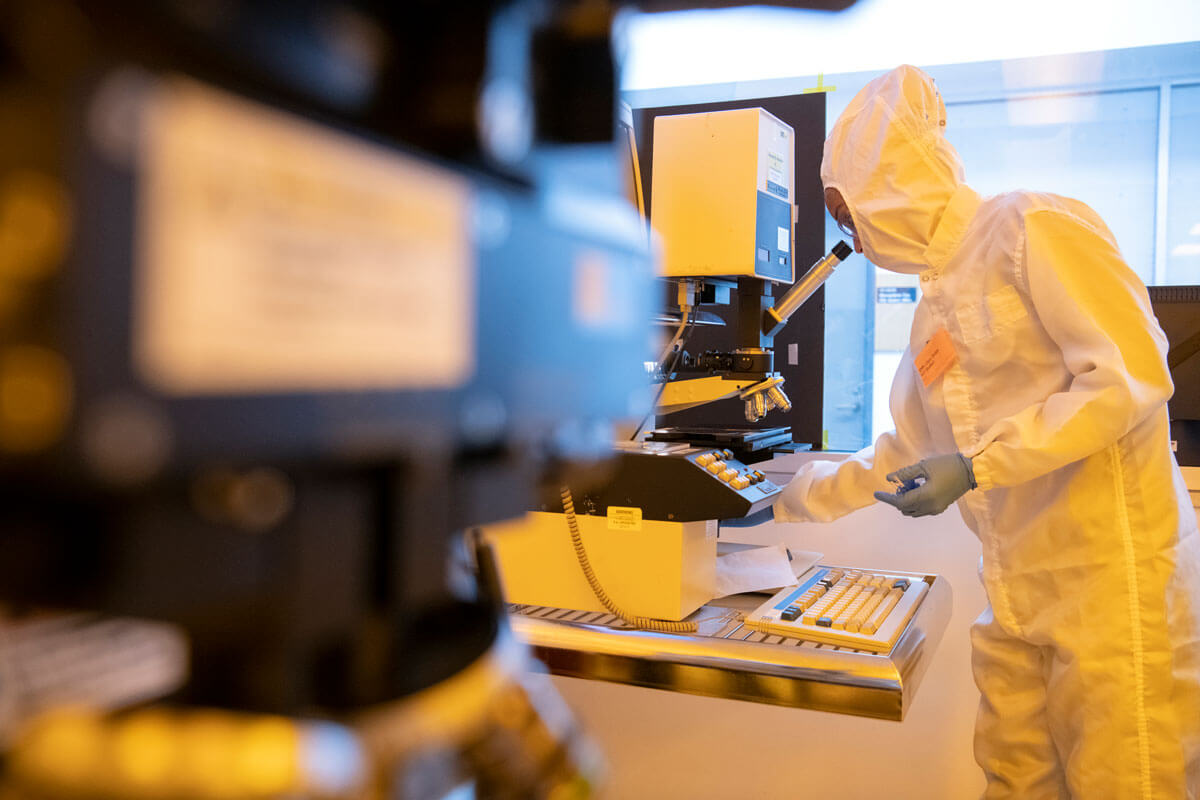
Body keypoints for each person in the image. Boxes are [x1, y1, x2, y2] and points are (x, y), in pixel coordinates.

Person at [775, 64, 1200, 798]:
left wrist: (977, 466)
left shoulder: (1033, 225)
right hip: (1015, 595)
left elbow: (1128, 376)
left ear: (889, 183)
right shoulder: (930, 310)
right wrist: (771, 499)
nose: (848, 233)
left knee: (1125, 782)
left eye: (847, 210)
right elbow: (906, 455)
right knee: (1013, 780)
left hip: (1114, 590)